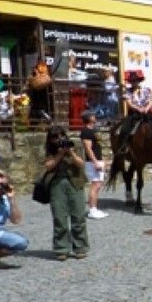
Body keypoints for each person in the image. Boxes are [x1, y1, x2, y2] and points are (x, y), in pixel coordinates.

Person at [43, 125, 89, 261]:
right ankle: (61, 248)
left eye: (61, 135)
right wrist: (60, 154)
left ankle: (80, 247)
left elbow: (81, 164)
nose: (59, 139)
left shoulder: (74, 145)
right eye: (55, 137)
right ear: (50, 139)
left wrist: (71, 153)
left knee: (79, 216)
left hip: (75, 183)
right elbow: (48, 166)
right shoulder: (49, 151)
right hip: (57, 185)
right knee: (59, 218)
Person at [117, 70, 152, 159]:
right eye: (132, 81)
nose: (134, 82)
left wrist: (146, 108)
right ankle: (123, 147)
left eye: (135, 80)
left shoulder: (147, 90)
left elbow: (150, 101)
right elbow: (129, 103)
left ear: (139, 81)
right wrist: (139, 109)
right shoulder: (127, 91)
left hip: (147, 113)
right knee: (125, 129)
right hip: (134, 114)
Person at [79, 110, 108, 219]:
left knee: (98, 185)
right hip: (92, 162)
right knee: (95, 185)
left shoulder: (92, 131)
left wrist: (102, 160)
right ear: (89, 118)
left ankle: (94, 208)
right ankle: (92, 210)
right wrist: (95, 162)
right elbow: (88, 148)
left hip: (96, 161)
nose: (95, 117)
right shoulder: (86, 131)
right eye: (93, 116)